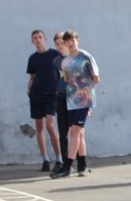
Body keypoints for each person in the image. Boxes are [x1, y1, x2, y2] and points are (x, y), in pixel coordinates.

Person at [51, 29, 100, 178]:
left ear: (77, 40)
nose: (70, 43)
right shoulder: (65, 62)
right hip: (70, 101)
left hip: (84, 101)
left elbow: (96, 78)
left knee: (74, 132)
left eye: (72, 40)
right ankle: (82, 165)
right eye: (67, 41)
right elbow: (66, 80)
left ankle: (67, 166)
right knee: (79, 133)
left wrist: (87, 96)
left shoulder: (86, 56)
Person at [26, 29, 62, 172]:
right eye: (35, 38)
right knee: (39, 125)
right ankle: (45, 159)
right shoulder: (32, 58)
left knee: (50, 126)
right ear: (32, 41)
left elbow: (62, 70)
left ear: (44, 38)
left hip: (52, 94)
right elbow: (32, 76)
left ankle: (59, 158)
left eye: (40, 37)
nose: (38, 40)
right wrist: (29, 88)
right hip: (37, 94)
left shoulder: (54, 54)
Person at [52, 31, 69, 175]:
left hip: (76, 98)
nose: (59, 46)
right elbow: (56, 81)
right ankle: (65, 164)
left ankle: (82, 162)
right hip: (62, 97)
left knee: (78, 132)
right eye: (57, 44)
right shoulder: (56, 61)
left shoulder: (76, 58)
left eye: (61, 43)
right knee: (63, 133)